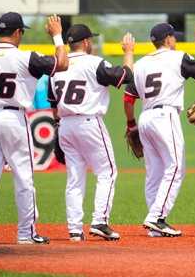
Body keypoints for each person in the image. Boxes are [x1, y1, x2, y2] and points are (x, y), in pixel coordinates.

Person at [0, 13, 68, 245]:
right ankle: (26, 233)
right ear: (18, 32)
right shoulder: (25, 57)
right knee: (23, 178)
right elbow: (62, 63)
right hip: (13, 118)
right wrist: (58, 36)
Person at [48, 24, 134, 242]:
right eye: (91, 40)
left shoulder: (58, 66)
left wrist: (58, 128)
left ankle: (75, 229)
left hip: (65, 124)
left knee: (75, 178)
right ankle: (100, 221)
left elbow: (53, 104)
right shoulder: (94, 63)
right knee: (108, 172)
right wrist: (129, 52)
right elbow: (126, 76)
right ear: (86, 42)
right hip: (88, 122)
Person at [123, 23, 195, 237]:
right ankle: (156, 217)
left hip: (146, 117)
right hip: (165, 116)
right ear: (167, 39)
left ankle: (155, 226)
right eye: (173, 36)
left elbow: (128, 99)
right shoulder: (178, 57)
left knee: (154, 173)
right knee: (175, 166)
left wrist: (131, 124)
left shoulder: (140, 63)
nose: (175, 40)